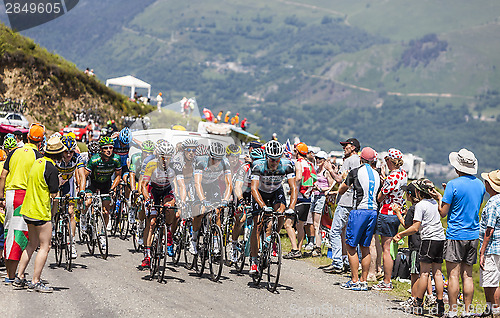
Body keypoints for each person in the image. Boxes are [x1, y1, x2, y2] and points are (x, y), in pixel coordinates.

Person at [430, 148, 485, 317]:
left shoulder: (453, 184)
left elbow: (443, 212)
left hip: (455, 234)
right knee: (467, 275)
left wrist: (440, 197)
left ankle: (453, 311)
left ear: (457, 167)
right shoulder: (480, 185)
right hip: (473, 234)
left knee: (453, 274)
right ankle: (467, 311)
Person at [13, 136, 65, 292]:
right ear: (59, 154)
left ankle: (20, 276)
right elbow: (54, 193)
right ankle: (35, 281)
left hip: (28, 209)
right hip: (40, 211)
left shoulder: (38, 161)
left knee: (31, 244)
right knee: (45, 246)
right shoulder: (52, 168)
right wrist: (59, 182)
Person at [393, 179, 445, 316]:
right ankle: (440, 305)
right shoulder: (434, 203)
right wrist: (439, 196)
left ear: (418, 191)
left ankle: (418, 303)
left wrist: (400, 234)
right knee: (437, 273)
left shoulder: (420, 205)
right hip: (441, 238)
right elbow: (442, 211)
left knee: (424, 273)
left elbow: (415, 228)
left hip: (428, 240)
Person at [0, 123, 44, 284]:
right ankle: (17, 275)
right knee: (23, 236)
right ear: (40, 141)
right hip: (25, 196)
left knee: (9, 234)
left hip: (10, 195)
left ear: (27, 138)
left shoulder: (14, 152)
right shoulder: (38, 155)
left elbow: (3, 175)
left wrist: (1, 198)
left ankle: (10, 275)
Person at [250, 140, 297, 275]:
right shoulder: (257, 165)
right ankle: (253, 261)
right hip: (260, 193)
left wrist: (292, 207)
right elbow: (253, 189)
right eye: (272, 159)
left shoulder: (287, 165)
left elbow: (293, 187)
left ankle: (272, 237)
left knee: (281, 213)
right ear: (266, 157)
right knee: (257, 225)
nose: (274, 162)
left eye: (277, 160)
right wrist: (263, 206)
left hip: (276, 191)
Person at [339, 147, 380, 291]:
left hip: (359, 211)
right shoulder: (377, 174)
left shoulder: (355, 172)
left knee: (351, 245)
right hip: (373, 211)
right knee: (365, 247)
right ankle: (364, 281)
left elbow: (341, 189)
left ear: (361, 159)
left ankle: (354, 279)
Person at [323, 138, 360, 274]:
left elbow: (341, 180)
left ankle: (337, 262)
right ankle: (345, 261)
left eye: (346, 145)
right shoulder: (358, 160)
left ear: (353, 147)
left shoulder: (350, 160)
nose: (344, 147)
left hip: (346, 201)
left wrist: (330, 170)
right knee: (345, 233)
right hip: (354, 202)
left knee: (334, 232)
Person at [373, 148, 407, 291]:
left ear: (389, 161)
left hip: (387, 212)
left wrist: (383, 183)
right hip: (397, 212)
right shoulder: (403, 174)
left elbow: (381, 196)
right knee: (391, 247)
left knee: (386, 249)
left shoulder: (391, 178)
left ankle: (387, 281)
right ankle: (388, 279)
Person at [139, 140, 177, 267]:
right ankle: (147, 254)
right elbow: (144, 185)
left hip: (166, 190)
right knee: (151, 222)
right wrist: (147, 199)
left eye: (168, 156)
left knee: (171, 210)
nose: (166, 159)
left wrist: (177, 200)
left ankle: (167, 231)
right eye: (163, 156)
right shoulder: (151, 165)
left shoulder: (174, 166)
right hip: (153, 191)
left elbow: (177, 186)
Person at [190, 142, 232, 255]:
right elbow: (197, 184)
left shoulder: (225, 163)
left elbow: (229, 184)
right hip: (200, 185)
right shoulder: (201, 161)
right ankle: (193, 239)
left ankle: (216, 242)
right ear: (209, 156)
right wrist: (203, 200)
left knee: (217, 212)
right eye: (215, 159)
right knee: (199, 211)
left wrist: (225, 200)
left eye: (219, 159)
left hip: (213, 185)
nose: (217, 162)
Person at [82, 136, 122, 246]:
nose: (109, 150)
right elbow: (84, 176)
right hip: (93, 183)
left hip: (106, 184)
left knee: (106, 211)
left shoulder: (116, 159)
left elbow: (118, 176)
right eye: (106, 148)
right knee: (88, 202)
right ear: (101, 149)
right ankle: (84, 217)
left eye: (111, 147)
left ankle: (103, 234)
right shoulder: (94, 159)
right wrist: (82, 190)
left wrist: (112, 188)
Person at [54, 135, 86, 259]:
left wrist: (82, 191)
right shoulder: (56, 158)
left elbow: (82, 175)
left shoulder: (77, 158)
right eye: (66, 152)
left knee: (71, 212)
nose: (68, 155)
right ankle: (53, 224)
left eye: (71, 152)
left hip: (68, 184)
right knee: (55, 205)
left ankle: (71, 243)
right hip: (55, 182)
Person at [285, 142, 316, 259]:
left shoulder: (299, 163)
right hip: (308, 198)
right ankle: (298, 248)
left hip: (299, 197)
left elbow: (298, 177)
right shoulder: (309, 163)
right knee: (300, 225)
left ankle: (294, 249)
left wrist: (293, 189)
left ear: (297, 152)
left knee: (288, 224)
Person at [479, 170, 500, 318]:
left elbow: (489, 229)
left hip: (492, 247)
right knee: (493, 279)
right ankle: (493, 310)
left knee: (490, 281)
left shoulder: (493, 203)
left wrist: (482, 251)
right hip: (497, 246)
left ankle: (494, 310)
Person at [309, 150, 334, 257]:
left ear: (324, 161)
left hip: (321, 197)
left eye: (320, 159)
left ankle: (318, 247)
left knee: (317, 224)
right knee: (314, 224)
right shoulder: (316, 170)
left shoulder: (326, 172)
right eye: (316, 158)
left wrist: (321, 188)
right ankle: (316, 245)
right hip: (314, 196)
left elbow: (332, 186)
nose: (317, 160)